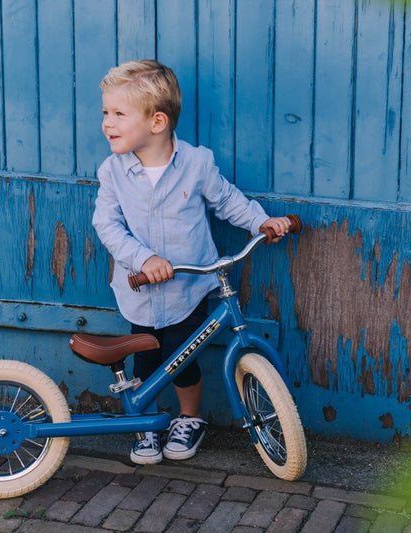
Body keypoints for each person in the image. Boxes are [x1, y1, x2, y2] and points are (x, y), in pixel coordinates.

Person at [92, 59, 291, 465]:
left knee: (183, 356)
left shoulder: (196, 164)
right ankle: (143, 422)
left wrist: (261, 221)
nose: (107, 123)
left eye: (118, 114)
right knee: (147, 355)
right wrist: (144, 257)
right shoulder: (113, 171)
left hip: (188, 285)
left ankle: (189, 418)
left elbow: (227, 200)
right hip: (141, 287)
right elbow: (107, 225)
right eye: (105, 114)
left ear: (157, 121)